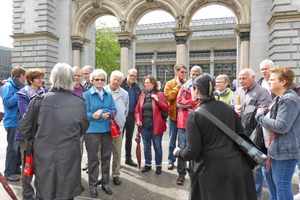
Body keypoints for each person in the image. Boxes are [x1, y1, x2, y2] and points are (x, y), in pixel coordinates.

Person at [173, 74, 256, 200]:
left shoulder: (195, 115)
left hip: (211, 171)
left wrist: (178, 153)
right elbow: (240, 135)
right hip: (236, 166)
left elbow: (191, 151)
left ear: (196, 90)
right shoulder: (228, 108)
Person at [18, 63, 90, 200]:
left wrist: (38, 140)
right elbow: (83, 127)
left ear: (52, 78)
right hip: (69, 154)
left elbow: (24, 129)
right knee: (67, 193)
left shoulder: (38, 101)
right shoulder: (79, 102)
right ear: (70, 79)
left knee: (44, 192)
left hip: (44, 154)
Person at [256, 66, 300, 200]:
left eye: (272, 79)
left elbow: (281, 126)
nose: (268, 81)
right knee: (275, 183)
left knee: (281, 184)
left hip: (285, 151)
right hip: (277, 149)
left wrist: (260, 117)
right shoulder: (280, 98)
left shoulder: (289, 100)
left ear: (283, 82)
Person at [230, 68, 272, 200]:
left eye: (244, 78)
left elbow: (264, 111)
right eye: (239, 78)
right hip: (239, 132)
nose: (241, 81)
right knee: (239, 163)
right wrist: (234, 111)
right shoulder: (238, 91)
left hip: (255, 134)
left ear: (253, 78)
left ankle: (256, 195)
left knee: (256, 165)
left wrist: (243, 111)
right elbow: (231, 107)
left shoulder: (262, 92)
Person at [83, 69, 117, 198]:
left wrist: (101, 111)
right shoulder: (86, 95)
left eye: (102, 79)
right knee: (93, 159)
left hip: (107, 130)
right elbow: (85, 114)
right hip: (92, 131)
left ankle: (105, 183)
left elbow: (114, 111)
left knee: (106, 158)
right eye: (97, 79)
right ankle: (92, 185)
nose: (99, 81)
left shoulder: (108, 94)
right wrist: (100, 115)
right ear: (92, 81)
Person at [16, 69, 47, 200]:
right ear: (30, 80)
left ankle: (40, 192)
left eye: (42, 77)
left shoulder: (44, 92)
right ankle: (27, 194)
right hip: (27, 136)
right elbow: (26, 115)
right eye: (38, 78)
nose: (41, 80)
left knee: (41, 165)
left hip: (42, 134)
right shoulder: (23, 94)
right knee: (27, 165)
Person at [98, 70, 129, 186]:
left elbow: (125, 111)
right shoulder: (102, 91)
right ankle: (102, 174)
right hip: (103, 127)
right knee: (102, 152)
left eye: (118, 80)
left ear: (121, 82)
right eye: (114, 79)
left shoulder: (125, 94)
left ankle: (116, 174)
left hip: (117, 128)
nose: (116, 82)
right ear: (110, 79)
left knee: (116, 152)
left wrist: (120, 121)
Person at [135, 75, 169, 174]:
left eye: (148, 83)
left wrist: (157, 100)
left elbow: (166, 108)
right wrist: (137, 120)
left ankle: (158, 165)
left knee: (157, 146)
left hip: (156, 125)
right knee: (146, 146)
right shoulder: (142, 96)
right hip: (144, 125)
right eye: (145, 83)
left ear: (153, 84)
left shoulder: (160, 94)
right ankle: (148, 164)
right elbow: (137, 110)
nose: (146, 84)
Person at [175, 65, 201, 184]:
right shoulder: (184, 87)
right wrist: (193, 102)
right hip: (183, 122)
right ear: (190, 74)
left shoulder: (203, 87)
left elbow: (203, 103)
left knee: (195, 147)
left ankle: (193, 172)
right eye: (193, 74)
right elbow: (179, 103)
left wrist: (192, 104)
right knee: (182, 147)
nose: (195, 76)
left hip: (198, 122)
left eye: (197, 74)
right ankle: (181, 173)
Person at [1, 66, 26, 182]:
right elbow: (7, 103)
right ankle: (8, 172)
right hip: (12, 122)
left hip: (19, 121)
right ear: (21, 76)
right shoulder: (8, 87)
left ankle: (15, 167)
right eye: (25, 76)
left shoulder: (20, 86)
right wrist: (19, 94)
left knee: (17, 148)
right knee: (12, 147)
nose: (25, 78)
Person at [164, 64, 187, 170]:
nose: (184, 74)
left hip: (184, 114)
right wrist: (178, 86)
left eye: (185, 72)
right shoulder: (169, 84)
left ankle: (182, 161)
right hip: (173, 114)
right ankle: (171, 160)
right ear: (176, 72)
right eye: (182, 72)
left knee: (183, 139)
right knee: (172, 139)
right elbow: (168, 97)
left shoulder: (187, 83)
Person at [120, 69, 141, 167]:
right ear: (127, 75)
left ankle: (128, 158)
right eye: (131, 75)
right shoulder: (121, 85)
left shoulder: (136, 87)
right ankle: (117, 160)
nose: (133, 77)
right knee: (118, 139)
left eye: (135, 76)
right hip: (121, 116)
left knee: (129, 138)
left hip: (131, 116)